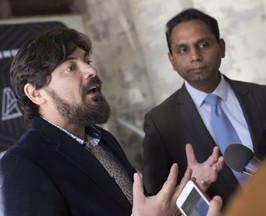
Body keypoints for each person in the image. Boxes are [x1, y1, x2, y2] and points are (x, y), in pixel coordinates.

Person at [0, 28, 222, 216]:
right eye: (70, 67)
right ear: (36, 94)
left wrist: (186, 192)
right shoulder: (23, 164)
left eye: (86, 61)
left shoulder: (101, 139)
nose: (91, 70)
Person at [142, 7, 266, 208]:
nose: (194, 56)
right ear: (171, 60)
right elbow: (157, 200)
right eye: (183, 49)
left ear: (222, 47)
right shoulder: (160, 123)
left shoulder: (265, 98)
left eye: (203, 44)